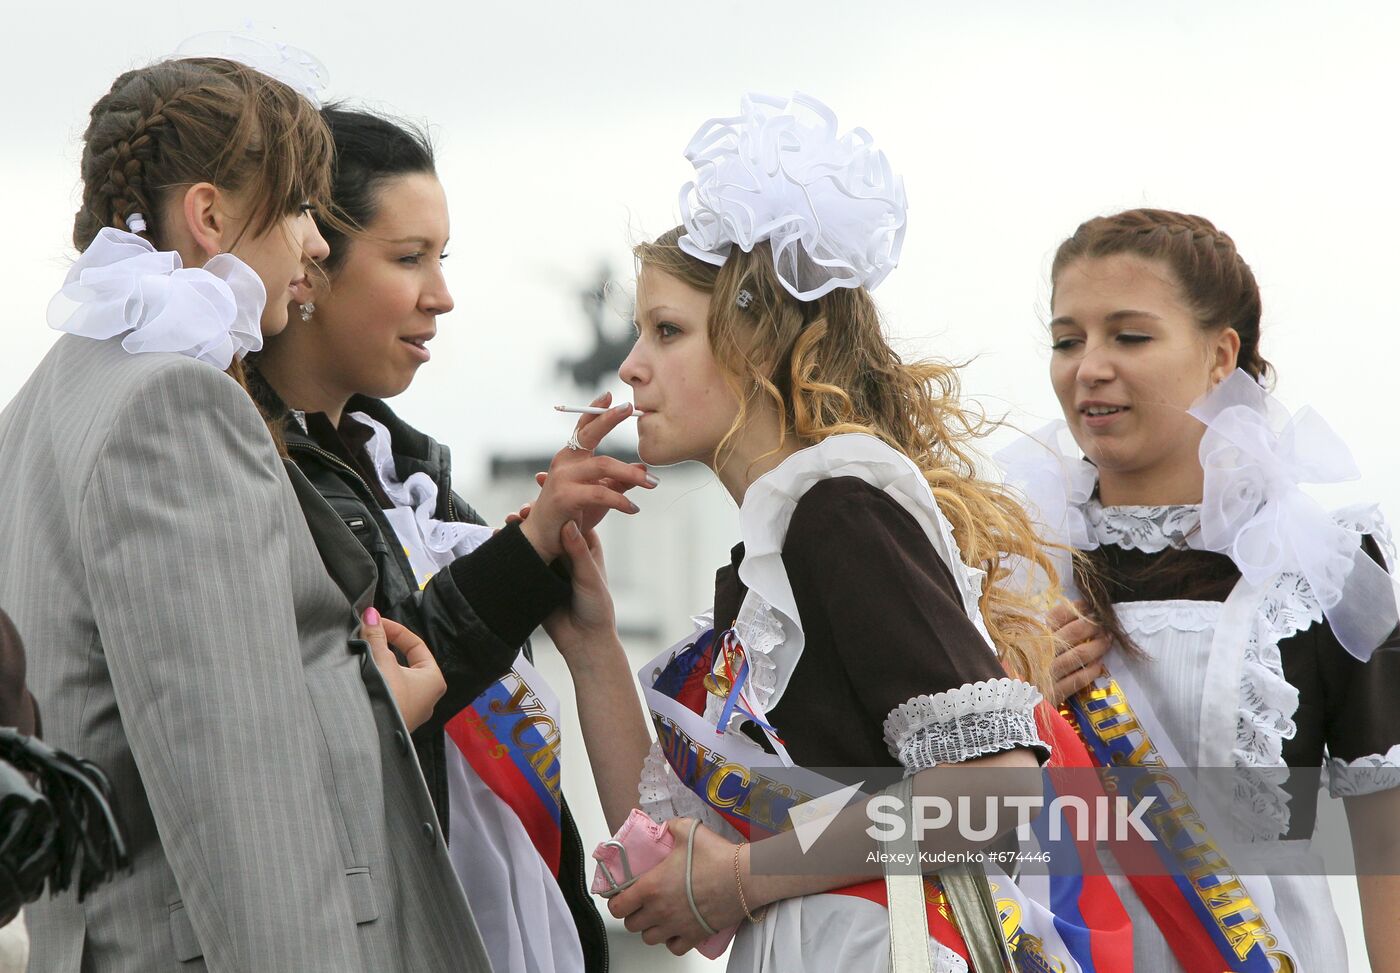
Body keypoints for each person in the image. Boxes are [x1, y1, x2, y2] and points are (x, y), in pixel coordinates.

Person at [539, 93, 1137, 972]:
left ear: (757, 341)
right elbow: (677, 840)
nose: (630, 365)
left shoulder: (838, 507)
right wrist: (590, 639)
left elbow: (992, 789)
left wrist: (744, 874)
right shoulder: (776, 545)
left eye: (666, 331)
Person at [0, 56, 490, 971]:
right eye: (301, 206)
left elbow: (131, 706)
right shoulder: (173, 408)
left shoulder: (41, 403)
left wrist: (355, 698)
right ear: (210, 215)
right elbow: (242, 794)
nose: (314, 243)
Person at [250, 104, 653, 973]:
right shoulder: (254, 473)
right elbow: (376, 697)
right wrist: (525, 551)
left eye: (442, 259)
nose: (442, 294)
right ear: (311, 263)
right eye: (408, 259)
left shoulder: (414, 477)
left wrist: (557, 579)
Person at [1003, 207, 1400, 971]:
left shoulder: (1323, 561)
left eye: (1130, 335)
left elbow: (1387, 838)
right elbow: (932, 821)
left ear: (1221, 355)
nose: (1089, 366)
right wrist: (1010, 714)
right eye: (1066, 340)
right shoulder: (1010, 568)